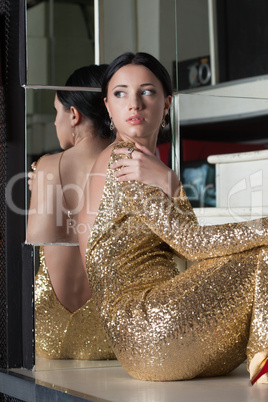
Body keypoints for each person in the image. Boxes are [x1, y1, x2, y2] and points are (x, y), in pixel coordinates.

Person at [78, 52, 268, 383]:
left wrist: (172, 182)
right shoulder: (127, 161)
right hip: (152, 329)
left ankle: (262, 359)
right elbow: (193, 244)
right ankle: (263, 361)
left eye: (146, 92)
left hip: (144, 347)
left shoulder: (137, 162)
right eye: (121, 93)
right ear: (107, 106)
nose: (134, 104)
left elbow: (183, 243)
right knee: (262, 252)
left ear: (167, 103)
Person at [27, 65, 116, 360]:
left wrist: (42, 184)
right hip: (109, 330)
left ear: (74, 115)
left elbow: (39, 247)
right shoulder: (129, 166)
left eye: (57, 111)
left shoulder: (46, 167)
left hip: (46, 326)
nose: (55, 121)